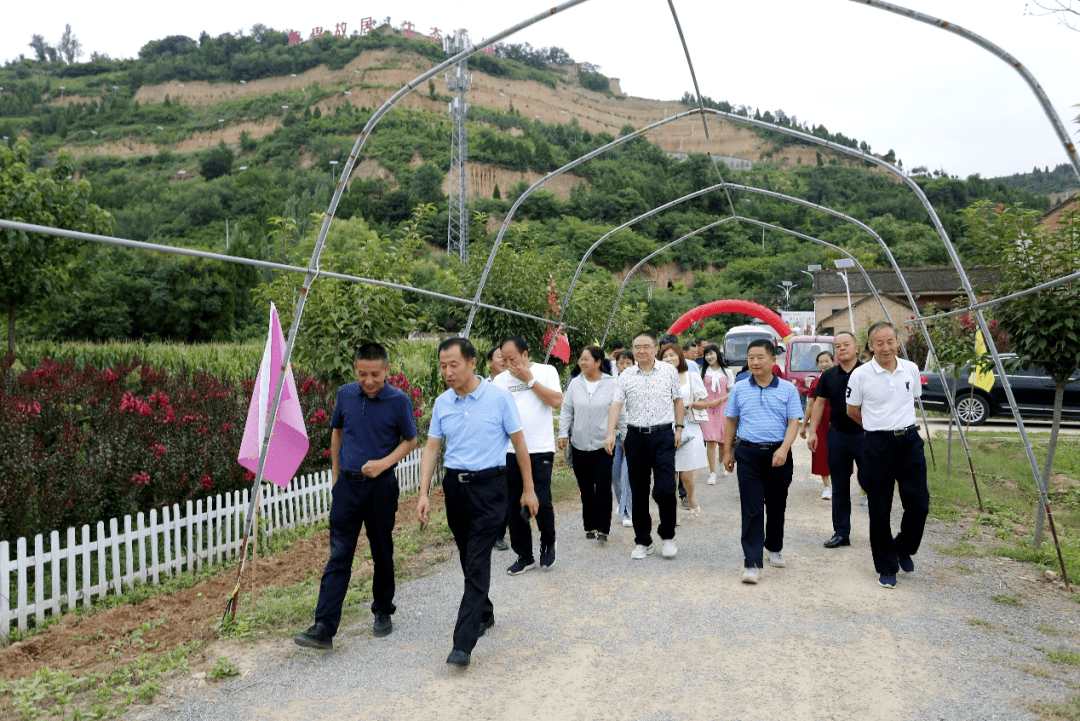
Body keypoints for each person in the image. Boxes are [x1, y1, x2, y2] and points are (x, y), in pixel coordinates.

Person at [417, 338, 539, 668]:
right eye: (443, 366)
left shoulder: (499, 398)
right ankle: (484, 611)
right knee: (467, 555)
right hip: (455, 489)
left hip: (490, 488)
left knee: (475, 560)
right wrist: (424, 493)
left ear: (472, 363)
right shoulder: (442, 402)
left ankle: (463, 643)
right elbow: (431, 448)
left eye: (453, 365)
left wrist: (529, 489)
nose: (447, 372)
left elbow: (520, 444)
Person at [294, 343, 418, 650]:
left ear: (387, 370)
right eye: (362, 374)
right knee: (339, 554)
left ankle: (383, 610)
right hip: (347, 488)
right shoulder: (346, 394)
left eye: (375, 374)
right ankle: (324, 626)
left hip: (381, 487)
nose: (369, 380)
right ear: (355, 370)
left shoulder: (398, 401)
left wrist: (383, 463)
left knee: (381, 550)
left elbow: (411, 440)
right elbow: (337, 432)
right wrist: (336, 476)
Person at [846, 322, 928, 590]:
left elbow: (911, 399)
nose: (885, 348)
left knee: (919, 503)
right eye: (879, 343)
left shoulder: (911, 369)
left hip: (910, 442)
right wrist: (876, 428)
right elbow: (852, 410)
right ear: (870, 345)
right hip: (877, 445)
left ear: (897, 342)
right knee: (879, 508)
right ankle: (886, 567)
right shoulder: (860, 375)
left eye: (890, 341)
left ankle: (903, 547)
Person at [723, 339, 803, 584]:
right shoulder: (739, 388)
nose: (754, 362)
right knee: (752, 508)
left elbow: (793, 422)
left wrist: (784, 449)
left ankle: (774, 547)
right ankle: (752, 562)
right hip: (748, 454)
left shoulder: (788, 389)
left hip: (779, 454)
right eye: (751, 358)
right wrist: (727, 452)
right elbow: (731, 421)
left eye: (760, 357)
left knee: (776, 505)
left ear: (772, 360)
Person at [606, 330, 685, 560]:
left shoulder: (668, 371)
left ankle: (668, 536)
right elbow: (616, 405)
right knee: (638, 490)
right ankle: (643, 541)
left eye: (646, 346)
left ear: (655, 349)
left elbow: (678, 400)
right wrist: (610, 434)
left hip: (663, 435)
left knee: (666, 489)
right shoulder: (626, 376)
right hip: (636, 437)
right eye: (637, 347)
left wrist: (679, 428)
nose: (641, 351)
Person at [494, 336, 563, 575]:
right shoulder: (499, 381)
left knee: (541, 499)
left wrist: (530, 380)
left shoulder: (546, 371)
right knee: (513, 504)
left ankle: (548, 542)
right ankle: (524, 555)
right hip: (509, 450)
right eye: (504, 360)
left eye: (512, 358)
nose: (508, 364)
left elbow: (556, 401)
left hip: (540, 448)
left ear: (525, 354)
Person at [558, 346, 626, 542]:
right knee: (586, 487)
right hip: (579, 444)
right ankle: (591, 525)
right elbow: (567, 411)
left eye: (586, 358)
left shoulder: (612, 384)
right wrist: (562, 434)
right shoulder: (575, 384)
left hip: (604, 444)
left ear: (598, 362)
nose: (582, 362)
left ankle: (603, 529)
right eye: (580, 358)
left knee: (603, 484)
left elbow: (620, 412)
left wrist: (625, 437)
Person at [806, 332, 865, 549]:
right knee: (839, 486)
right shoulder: (828, 375)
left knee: (872, 481)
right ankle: (841, 533)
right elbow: (819, 404)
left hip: (865, 435)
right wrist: (813, 432)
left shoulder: (868, 372)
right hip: (838, 435)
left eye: (846, 344)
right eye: (838, 346)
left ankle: (880, 532)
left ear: (856, 347)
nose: (842, 348)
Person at [661, 343, 709, 514]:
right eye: (664, 357)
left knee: (686, 474)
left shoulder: (691, 376)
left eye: (672, 355)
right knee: (669, 474)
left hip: (688, 428)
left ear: (679, 356)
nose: (668, 359)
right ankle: (672, 511)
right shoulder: (656, 379)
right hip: (665, 428)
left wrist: (691, 404)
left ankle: (691, 496)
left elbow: (705, 402)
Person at [800, 350, 835, 500]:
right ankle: (827, 487)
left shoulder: (841, 378)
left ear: (833, 362)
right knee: (821, 452)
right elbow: (811, 405)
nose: (824, 364)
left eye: (827, 361)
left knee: (840, 453)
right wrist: (804, 425)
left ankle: (839, 485)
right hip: (820, 421)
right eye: (821, 362)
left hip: (838, 420)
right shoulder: (816, 382)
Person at [699, 344, 733, 485]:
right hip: (707, 409)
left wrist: (719, 401)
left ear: (717, 354)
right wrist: (705, 402)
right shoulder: (702, 372)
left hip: (723, 409)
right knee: (710, 441)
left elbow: (731, 392)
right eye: (706, 354)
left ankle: (721, 462)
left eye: (711, 353)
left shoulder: (727, 372)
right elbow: (698, 391)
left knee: (722, 441)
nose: (709, 357)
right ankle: (712, 473)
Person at [488, 346, 511, 552]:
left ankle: (500, 533)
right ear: (489, 363)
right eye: (499, 357)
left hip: (511, 447)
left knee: (507, 491)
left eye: (506, 357)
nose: (503, 361)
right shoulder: (482, 387)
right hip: (490, 448)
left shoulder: (514, 384)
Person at [612, 350, 635, 527]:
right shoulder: (611, 384)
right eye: (621, 363)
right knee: (615, 474)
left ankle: (628, 510)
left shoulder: (639, 384)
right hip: (615, 437)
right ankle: (622, 504)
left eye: (628, 363)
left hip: (633, 437)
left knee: (627, 475)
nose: (625, 366)